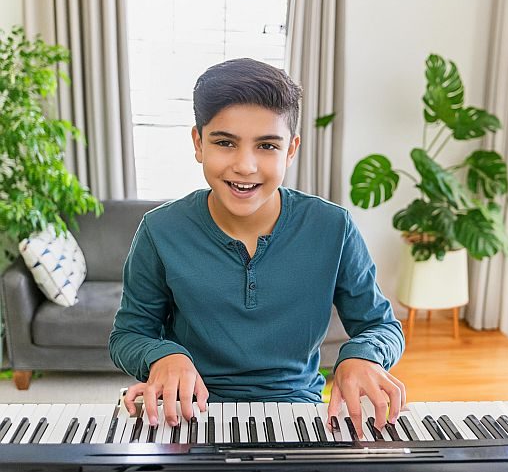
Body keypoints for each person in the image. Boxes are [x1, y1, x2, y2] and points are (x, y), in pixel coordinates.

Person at [109, 58, 405, 439]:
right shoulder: (159, 229)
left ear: (291, 150)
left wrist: (361, 356)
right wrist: (163, 356)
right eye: (224, 142)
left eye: (267, 145)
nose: (245, 165)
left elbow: (381, 325)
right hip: (188, 414)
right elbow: (128, 335)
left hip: (299, 411)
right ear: (199, 143)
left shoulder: (334, 228)